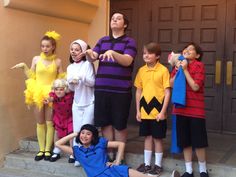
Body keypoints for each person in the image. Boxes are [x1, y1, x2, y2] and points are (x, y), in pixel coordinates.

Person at [85, 12, 137, 160]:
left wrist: (113, 53)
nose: (114, 20)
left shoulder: (129, 42)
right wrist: (89, 53)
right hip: (101, 88)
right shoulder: (102, 40)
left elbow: (127, 61)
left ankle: (119, 157)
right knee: (105, 124)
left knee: (119, 124)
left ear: (125, 24)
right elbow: (92, 57)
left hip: (120, 91)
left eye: (118, 18)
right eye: (113, 18)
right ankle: (110, 154)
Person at [11, 31, 65, 161]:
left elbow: (61, 79)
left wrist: (66, 83)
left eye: (47, 46)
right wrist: (23, 66)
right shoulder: (36, 59)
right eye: (42, 46)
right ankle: (41, 149)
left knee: (49, 122)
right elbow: (32, 76)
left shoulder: (57, 61)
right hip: (38, 92)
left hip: (51, 93)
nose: (44, 49)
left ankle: (48, 149)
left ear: (53, 47)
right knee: (40, 122)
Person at [56, 124, 177, 177]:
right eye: (83, 133)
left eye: (88, 134)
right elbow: (58, 143)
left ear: (93, 137)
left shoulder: (100, 144)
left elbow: (120, 144)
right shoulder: (77, 151)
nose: (84, 136)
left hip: (110, 169)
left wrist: (117, 161)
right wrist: (73, 134)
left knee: (121, 168)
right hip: (97, 176)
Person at [170, 42, 209, 177]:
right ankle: (189, 170)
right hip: (180, 109)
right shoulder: (179, 65)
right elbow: (170, 83)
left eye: (191, 49)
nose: (187, 50)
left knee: (199, 142)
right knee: (185, 141)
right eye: (186, 48)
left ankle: (203, 171)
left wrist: (185, 70)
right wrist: (178, 68)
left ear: (197, 55)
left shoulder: (199, 66)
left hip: (196, 111)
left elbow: (196, 87)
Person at [134, 42, 171, 176]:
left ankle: (158, 165)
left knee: (157, 138)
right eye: (144, 53)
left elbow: (167, 92)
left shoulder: (163, 70)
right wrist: (138, 110)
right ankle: (147, 164)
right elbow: (138, 91)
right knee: (147, 137)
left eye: (149, 53)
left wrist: (162, 112)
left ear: (157, 56)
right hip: (144, 111)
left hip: (157, 112)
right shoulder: (141, 70)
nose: (146, 55)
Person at [67, 39, 95, 166]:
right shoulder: (70, 67)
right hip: (77, 102)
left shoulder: (88, 64)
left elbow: (92, 82)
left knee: (87, 129)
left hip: (89, 101)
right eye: (72, 49)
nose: (74, 52)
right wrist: (71, 83)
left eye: (77, 50)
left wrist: (80, 78)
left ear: (83, 51)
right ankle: (78, 155)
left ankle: (88, 154)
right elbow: (72, 88)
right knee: (77, 129)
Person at [43, 79, 74, 162]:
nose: (58, 92)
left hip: (70, 117)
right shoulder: (54, 96)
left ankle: (72, 152)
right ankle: (57, 150)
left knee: (71, 133)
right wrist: (48, 100)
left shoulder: (70, 95)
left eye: (61, 89)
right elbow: (51, 98)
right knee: (57, 132)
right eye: (56, 89)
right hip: (59, 117)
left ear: (65, 89)